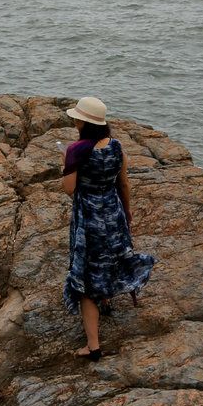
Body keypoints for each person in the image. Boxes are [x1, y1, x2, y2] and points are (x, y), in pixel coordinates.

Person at [60, 96, 155, 361]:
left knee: (87, 276)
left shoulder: (75, 150)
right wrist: (126, 211)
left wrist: (65, 165)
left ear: (82, 122)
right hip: (113, 212)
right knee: (111, 258)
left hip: (89, 217)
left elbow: (70, 189)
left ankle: (93, 347)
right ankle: (107, 299)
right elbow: (123, 184)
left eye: (76, 117)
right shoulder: (117, 147)